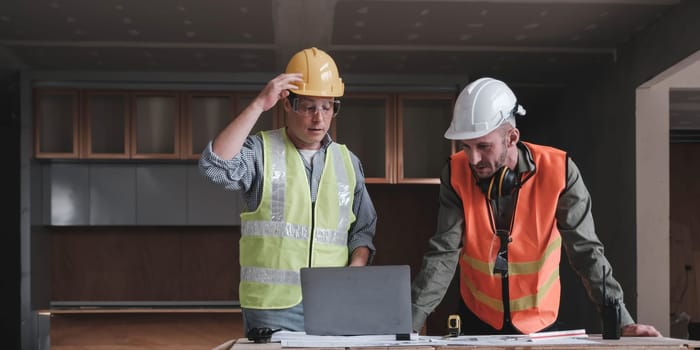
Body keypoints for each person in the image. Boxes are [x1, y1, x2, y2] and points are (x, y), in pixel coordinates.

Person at [410, 77, 661, 337]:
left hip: (539, 323)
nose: (473, 159)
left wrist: (620, 321)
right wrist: (409, 325)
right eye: (466, 147)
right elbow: (443, 254)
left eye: (483, 146)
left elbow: (586, 252)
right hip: (477, 320)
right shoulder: (455, 173)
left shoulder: (559, 172)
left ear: (512, 137)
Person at [199, 47, 377, 333]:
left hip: (332, 304)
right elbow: (215, 166)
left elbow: (363, 230)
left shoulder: (348, 162)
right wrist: (258, 104)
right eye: (308, 107)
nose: (319, 119)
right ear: (286, 103)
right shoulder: (261, 151)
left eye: (327, 106)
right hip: (272, 310)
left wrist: (354, 273)